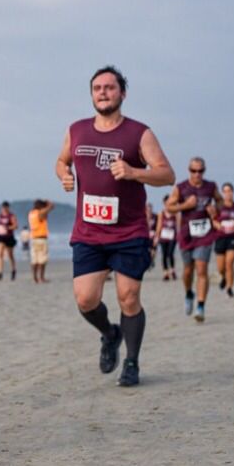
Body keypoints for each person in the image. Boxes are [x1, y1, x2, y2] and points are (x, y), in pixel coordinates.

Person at [56, 65, 175, 387]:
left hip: (129, 231)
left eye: (110, 87)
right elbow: (61, 160)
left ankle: (132, 363)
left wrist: (136, 173)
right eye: (97, 88)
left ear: (122, 93)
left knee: (128, 296)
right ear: (92, 94)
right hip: (88, 233)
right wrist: (64, 175)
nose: (103, 92)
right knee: (85, 299)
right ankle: (110, 334)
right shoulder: (77, 130)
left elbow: (167, 174)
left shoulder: (139, 133)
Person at [167, 157, 222, 323]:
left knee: (201, 268)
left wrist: (215, 209)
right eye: (193, 171)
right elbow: (169, 207)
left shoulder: (211, 186)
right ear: (188, 170)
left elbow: (219, 201)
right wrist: (185, 206)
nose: (197, 174)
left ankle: (200, 306)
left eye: (200, 171)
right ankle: (189, 293)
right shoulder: (181, 187)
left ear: (204, 171)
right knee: (188, 270)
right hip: (186, 234)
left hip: (205, 233)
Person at [212, 182, 234, 297]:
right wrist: (217, 224)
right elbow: (213, 220)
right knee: (221, 267)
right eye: (225, 191)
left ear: (233, 192)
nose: (228, 194)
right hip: (220, 237)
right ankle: (223, 277)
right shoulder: (218, 206)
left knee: (229, 263)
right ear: (222, 193)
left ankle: (229, 288)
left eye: (229, 191)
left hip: (233, 236)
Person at [28, 199, 54, 283]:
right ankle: (41, 277)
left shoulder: (31, 213)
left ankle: (35, 277)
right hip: (42, 239)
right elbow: (51, 206)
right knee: (42, 260)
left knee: (34, 260)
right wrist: (47, 202)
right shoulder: (40, 212)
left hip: (33, 238)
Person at [154, 195, 179, 281]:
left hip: (173, 236)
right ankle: (165, 272)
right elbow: (159, 225)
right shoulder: (161, 213)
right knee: (164, 255)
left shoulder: (176, 213)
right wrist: (156, 237)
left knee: (170, 253)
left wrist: (180, 235)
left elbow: (179, 225)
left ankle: (172, 270)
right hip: (163, 236)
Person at [0, 201, 18, 280]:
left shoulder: (11, 216)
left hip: (9, 237)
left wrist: (8, 228)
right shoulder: (0, 215)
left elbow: (15, 226)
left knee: (10, 255)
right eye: (3, 208)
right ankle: (0, 273)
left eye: (5, 207)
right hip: (0, 237)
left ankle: (13, 270)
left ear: (8, 207)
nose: (4, 209)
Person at [145, 202, 157, 269]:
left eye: (150, 208)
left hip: (153, 235)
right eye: (148, 209)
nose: (149, 210)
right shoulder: (143, 216)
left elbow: (158, 226)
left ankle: (151, 261)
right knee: (147, 250)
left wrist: (156, 236)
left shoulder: (155, 216)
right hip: (146, 235)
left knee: (153, 250)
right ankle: (147, 261)